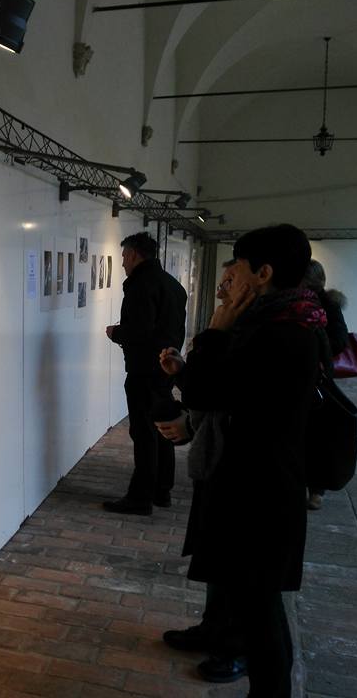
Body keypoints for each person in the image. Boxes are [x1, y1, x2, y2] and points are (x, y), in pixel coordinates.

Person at [162, 224, 323, 697]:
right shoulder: (290, 322)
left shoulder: (279, 332)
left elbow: (208, 391)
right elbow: (228, 391)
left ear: (263, 273)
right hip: (260, 481)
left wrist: (214, 333)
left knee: (260, 609)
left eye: (239, 267)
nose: (230, 277)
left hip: (260, 489)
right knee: (255, 602)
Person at [156, 260, 247, 684]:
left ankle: (236, 646)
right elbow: (211, 391)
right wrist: (184, 375)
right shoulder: (241, 331)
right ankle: (215, 629)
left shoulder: (263, 335)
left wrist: (213, 337)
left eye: (230, 281)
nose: (221, 290)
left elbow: (221, 395)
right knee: (217, 554)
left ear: (261, 277)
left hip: (243, 468)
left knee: (238, 563)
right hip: (218, 459)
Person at [104, 232, 187, 515]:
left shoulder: (141, 285)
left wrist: (116, 333)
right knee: (163, 428)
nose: (123, 263)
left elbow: (140, 331)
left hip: (144, 370)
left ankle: (140, 498)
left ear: (135, 254)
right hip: (165, 367)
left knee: (143, 432)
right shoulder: (173, 285)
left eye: (124, 257)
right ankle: (162, 491)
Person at [301, 259, 349, 510]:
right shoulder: (296, 301)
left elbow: (340, 340)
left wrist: (314, 347)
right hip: (307, 377)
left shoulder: (327, 304)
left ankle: (316, 489)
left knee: (316, 434)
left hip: (317, 379)